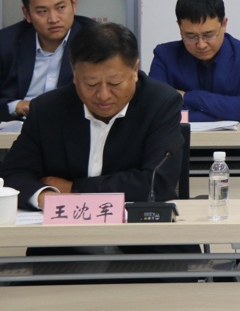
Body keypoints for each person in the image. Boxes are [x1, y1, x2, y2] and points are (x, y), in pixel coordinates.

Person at [0, 22, 184, 210]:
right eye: (91, 84)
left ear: (135, 70)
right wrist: (45, 196)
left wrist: (74, 189)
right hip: (62, 224)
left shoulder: (160, 103)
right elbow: (12, 174)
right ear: (74, 73)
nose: (103, 95)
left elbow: (157, 182)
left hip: (136, 225)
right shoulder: (47, 109)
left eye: (114, 83)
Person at [150, 0, 240, 122]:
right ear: (179, 27)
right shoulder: (165, 56)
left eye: (208, 35)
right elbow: (156, 111)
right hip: (179, 136)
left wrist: (187, 97)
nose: (201, 45)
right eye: (191, 36)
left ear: (224, 24)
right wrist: (218, 115)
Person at [0, 0, 94, 121]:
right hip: (16, 128)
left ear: (73, 5)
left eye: (60, 8)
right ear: (27, 14)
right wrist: (17, 106)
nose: (53, 19)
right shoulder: (6, 43)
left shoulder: (93, 40)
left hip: (72, 126)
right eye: (42, 11)